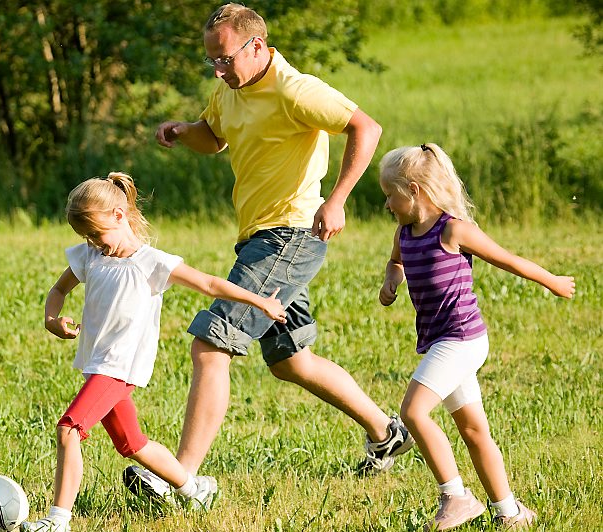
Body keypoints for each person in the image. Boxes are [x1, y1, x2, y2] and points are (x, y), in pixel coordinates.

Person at [124, 3, 412, 502]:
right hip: (259, 237)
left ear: (256, 46)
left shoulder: (295, 89)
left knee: (211, 344)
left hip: (290, 235)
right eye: (211, 60)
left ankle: (182, 478)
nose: (218, 68)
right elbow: (214, 137)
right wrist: (183, 132)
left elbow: (367, 128)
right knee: (291, 361)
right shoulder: (229, 88)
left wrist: (337, 198)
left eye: (225, 58)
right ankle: (387, 433)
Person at [21, 172, 287, 532]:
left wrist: (259, 301)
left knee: (69, 429)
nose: (94, 243)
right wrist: (52, 318)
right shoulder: (91, 256)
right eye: (87, 238)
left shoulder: (152, 263)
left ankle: (57, 522)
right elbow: (58, 289)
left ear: (119, 215)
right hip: (96, 365)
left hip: (118, 368)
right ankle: (195, 490)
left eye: (97, 234)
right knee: (132, 443)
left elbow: (209, 283)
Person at [378, 143, 575, 532]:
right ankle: (510, 513)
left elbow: (509, 260)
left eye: (390, 195)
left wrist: (551, 280)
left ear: (415, 189)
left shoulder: (453, 229)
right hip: (440, 341)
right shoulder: (404, 233)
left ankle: (456, 496)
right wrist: (391, 280)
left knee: (413, 412)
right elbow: (397, 261)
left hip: (463, 339)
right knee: (472, 430)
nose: (387, 204)